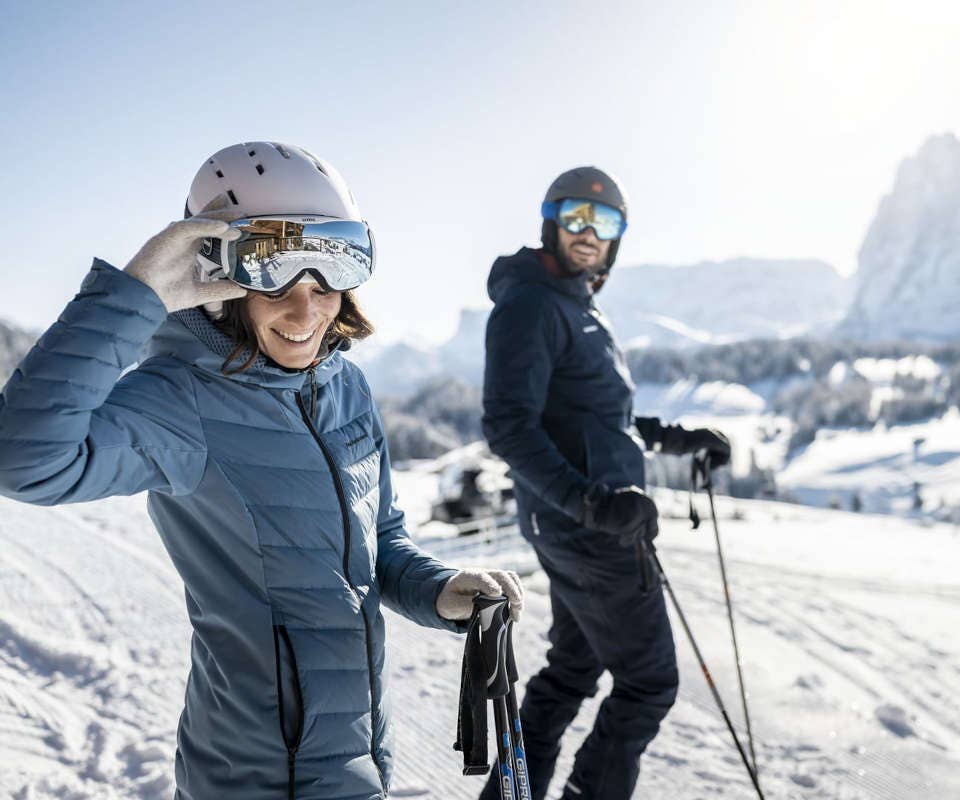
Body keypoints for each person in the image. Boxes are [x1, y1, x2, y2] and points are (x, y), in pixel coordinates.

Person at [0, 141, 523, 800]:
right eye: (271, 274)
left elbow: (378, 542)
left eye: (327, 272)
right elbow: (22, 459)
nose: (306, 313)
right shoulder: (180, 399)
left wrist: (439, 589)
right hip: (254, 777)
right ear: (216, 277)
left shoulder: (347, 389)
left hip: (357, 758)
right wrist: (136, 294)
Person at [480, 167, 731, 800]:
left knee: (572, 667)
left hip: (580, 523)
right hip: (590, 530)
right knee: (649, 683)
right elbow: (508, 427)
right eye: (575, 217)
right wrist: (592, 503)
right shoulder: (532, 304)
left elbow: (596, 417)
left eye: (605, 222)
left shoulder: (573, 303)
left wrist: (675, 438)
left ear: (619, 237)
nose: (589, 233)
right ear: (551, 222)